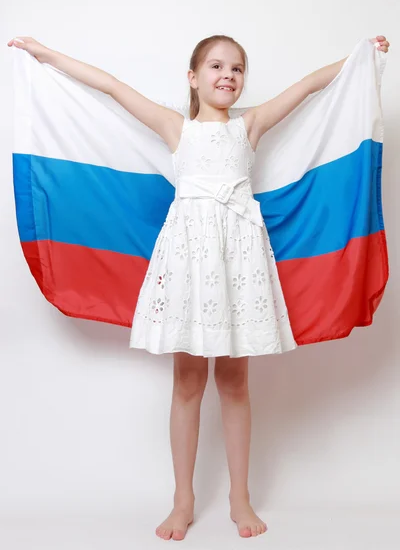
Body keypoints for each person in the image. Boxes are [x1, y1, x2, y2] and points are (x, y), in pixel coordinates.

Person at [8, 33, 390, 540]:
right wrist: (47, 56)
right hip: (190, 260)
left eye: (236, 68)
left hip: (239, 259)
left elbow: (308, 87)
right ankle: (182, 499)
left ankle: (239, 497)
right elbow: (112, 88)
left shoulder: (249, 126)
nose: (227, 75)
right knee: (187, 382)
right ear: (194, 77)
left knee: (235, 383)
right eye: (216, 66)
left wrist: (361, 57)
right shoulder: (177, 128)